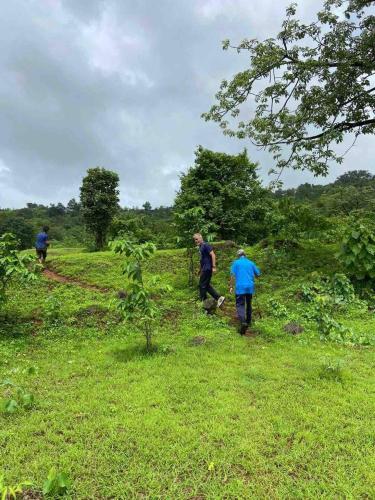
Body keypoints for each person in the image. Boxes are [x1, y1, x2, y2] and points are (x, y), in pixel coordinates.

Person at [229, 249, 261, 335]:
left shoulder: (236, 263)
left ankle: (243, 322)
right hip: (250, 286)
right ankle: (249, 321)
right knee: (249, 303)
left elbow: (232, 275)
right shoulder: (251, 263)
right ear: (245, 255)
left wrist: (231, 286)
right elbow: (258, 274)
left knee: (240, 304)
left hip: (240, 287)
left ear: (238, 256)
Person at [193, 233, 225, 308]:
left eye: (197, 239)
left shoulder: (205, 245)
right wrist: (200, 269)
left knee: (202, 285)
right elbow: (202, 260)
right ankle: (219, 298)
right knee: (206, 285)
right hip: (204, 268)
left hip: (208, 268)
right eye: (194, 240)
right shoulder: (201, 247)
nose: (195, 241)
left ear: (201, 238)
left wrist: (213, 266)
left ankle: (203, 301)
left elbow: (213, 255)